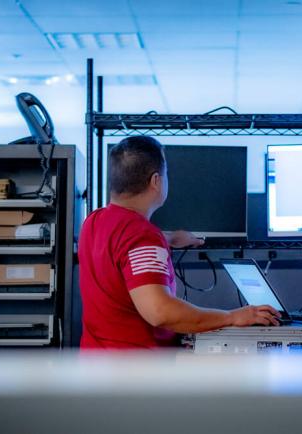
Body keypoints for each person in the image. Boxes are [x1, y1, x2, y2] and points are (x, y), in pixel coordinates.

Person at [79, 136, 281, 349]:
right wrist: (232, 316)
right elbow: (160, 312)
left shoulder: (94, 221)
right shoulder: (142, 236)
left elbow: (121, 247)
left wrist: (169, 238)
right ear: (156, 181)